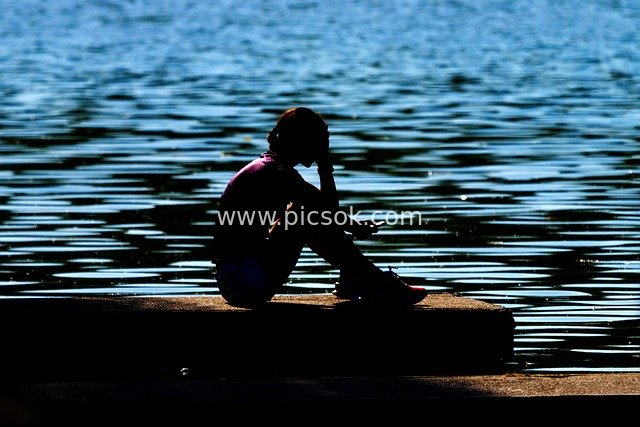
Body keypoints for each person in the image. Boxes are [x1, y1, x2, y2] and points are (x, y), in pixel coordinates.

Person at [213, 107, 427, 307]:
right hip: (245, 283)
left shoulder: (273, 167)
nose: (324, 147)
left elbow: (326, 210)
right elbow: (326, 213)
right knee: (305, 217)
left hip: (237, 280)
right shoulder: (275, 172)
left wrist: (349, 222)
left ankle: (361, 278)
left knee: (302, 215)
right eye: (321, 141)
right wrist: (324, 166)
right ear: (302, 140)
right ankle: (375, 281)